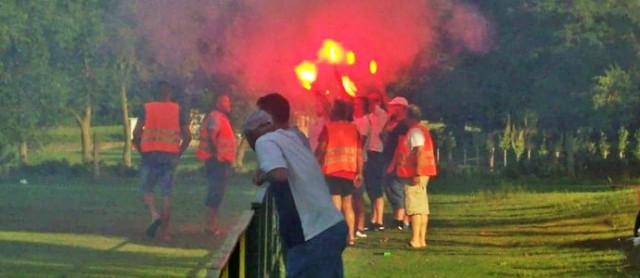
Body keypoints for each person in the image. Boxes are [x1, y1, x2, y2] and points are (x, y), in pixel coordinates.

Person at [244, 95, 347, 277]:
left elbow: (279, 174)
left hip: (311, 234)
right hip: (331, 226)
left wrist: (263, 175)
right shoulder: (296, 136)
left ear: (268, 119)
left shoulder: (265, 140)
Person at [132, 81, 192, 241]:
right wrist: (178, 153)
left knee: (147, 190)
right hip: (170, 156)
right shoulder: (178, 110)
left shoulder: (147, 108)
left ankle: (153, 214)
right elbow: (188, 136)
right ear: (170, 93)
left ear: (156, 92)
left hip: (149, 155)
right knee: (166, 195)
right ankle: (165, 234)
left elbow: (136, 134)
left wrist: (141, 150)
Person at [387, 105, 437, 248]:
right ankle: (421, 240)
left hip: (414, 175)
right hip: (423, 173)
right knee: (421, 208)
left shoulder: (415, 131)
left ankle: (415, 240)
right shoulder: (421, 130)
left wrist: (417, 172)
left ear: (408, 117)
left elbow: (419, 152)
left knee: (414, 208)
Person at [316, 99, 364, 246]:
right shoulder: (354, 129)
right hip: (349, 170)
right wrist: (359, 172)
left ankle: (336, 236)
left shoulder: (328, 128)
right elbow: (359, 153)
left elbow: (322, 149)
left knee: (335, 205)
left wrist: (316, 163)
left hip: (332, 170)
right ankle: (351, 237)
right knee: (348, 205)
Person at [195, 94, 236, 235]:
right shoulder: (216, 117)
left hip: (221, 161)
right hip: (216, 161)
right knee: (215, 192)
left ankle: (212, 224)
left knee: (218, 192)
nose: (228, 104)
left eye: (228, 101)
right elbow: (212, 136)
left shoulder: (222, 118)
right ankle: (210, 225)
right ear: (218, 104)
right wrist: (217, 155)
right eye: (224, 101)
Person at [382, 96, 410, 230]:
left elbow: (400, 146)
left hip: (397, 161)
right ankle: (397, 217)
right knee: (389, 188)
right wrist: (388, 119)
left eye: (394, 106)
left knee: (396, 188)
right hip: (387, 157)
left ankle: (401, 219)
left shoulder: (404, 124)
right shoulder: (392, 121)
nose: (391, 108)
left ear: (402, 108)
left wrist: (393, 164)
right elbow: (382, 135)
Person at [363, 91, 389, 232]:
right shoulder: (369, 117)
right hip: (368, 153)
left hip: (377, 153)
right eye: (370, 100)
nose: (372, 103)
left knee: (377, 187)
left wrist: (379, 88)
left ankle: (379, 220)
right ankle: (374, 218)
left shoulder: (383, 115)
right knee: (370, 187)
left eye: (375, 100)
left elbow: (379, 108)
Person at [352, 96, 371, 238]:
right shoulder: (351, 119)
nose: (354, 105)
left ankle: (360, 226)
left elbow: (361, 142)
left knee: (358, 195)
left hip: (359, 161)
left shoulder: (365, 121)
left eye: (357, 103)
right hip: (348, 162)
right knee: (348, 197)